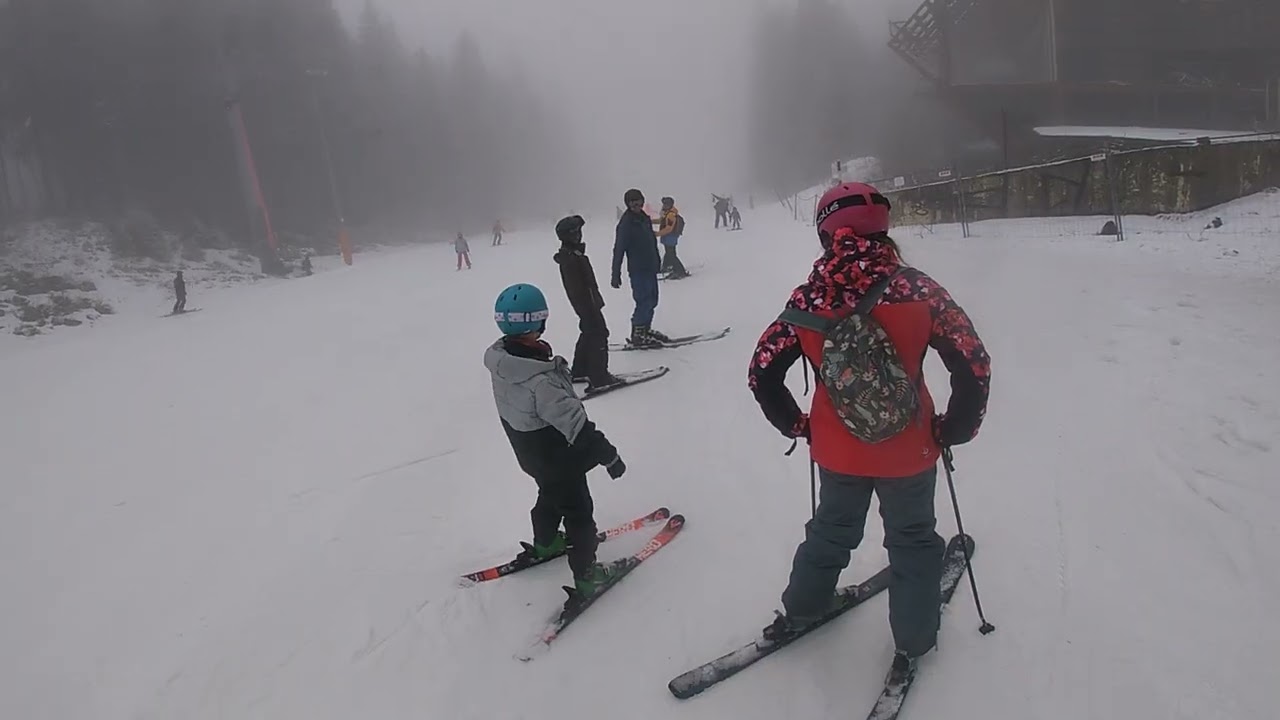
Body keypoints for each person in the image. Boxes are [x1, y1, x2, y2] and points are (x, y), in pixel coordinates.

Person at [746, 181, 991, 679]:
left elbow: (762, 371)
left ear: (824, 231)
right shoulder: (920, 289)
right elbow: (973, 363)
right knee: (914, 540)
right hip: (910, 448)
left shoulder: (810, 296)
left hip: (837, 451)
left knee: (831, 531)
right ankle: (915, 640)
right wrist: (956, 428)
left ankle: (801, 609)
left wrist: (797, 424)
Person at [485, 283, 629, 598]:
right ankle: (588, 575)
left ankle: (547, 541)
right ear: (539, 321)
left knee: (549, 494)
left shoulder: (503, 362)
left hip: (531, 454)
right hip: (558, 456)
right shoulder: (540, 379)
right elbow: (576, 425)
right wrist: (609, 456)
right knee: (579, 512)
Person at [553, 214, 622, 391]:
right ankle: (599, 376)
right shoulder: (571, 258)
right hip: (586, 303)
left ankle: (581, 369)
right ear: (570, 235)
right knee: (599, 332)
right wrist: (591, 305)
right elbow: (578, 288)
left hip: (586, 303)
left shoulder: (573, 255)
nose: (580, 235)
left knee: (589, 330)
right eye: (577, 232)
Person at [611, 188, 670, 347]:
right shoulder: (626, 224)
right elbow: (619, 249)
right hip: (638, 269)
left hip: (649, 267)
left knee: (652, 299)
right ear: (628, 204)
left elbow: (652, 242)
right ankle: (637, 333)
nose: (637, 204)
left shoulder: (644, 219)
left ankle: (645, 329)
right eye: (633, 202)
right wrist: (615, 274)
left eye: (639, 201)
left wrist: (658, 261)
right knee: (643, 301)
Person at [656, 196, 689, 279]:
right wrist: (650, 221)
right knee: (669, 253)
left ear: (669, 204)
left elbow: (669, 228)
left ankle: (680, 271)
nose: (663, 205)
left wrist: (657, 234)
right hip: (668, 237)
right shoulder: (666, 212)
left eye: (665, 204)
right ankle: (666, 267)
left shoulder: (671, 215)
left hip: (670, 237)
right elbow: (661, 220)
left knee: (671, 254)